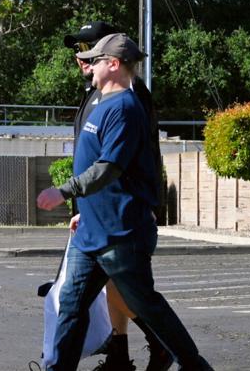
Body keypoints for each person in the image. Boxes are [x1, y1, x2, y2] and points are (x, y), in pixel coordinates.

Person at [36, 34, 211, 371]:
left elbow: (108, 168)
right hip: (91, 231)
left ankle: (194, 365)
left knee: (146, 305)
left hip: (121, 233)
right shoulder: (101, 102)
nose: (88, 65)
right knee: (71, 306)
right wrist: (81, 212)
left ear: (113, 64)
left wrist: (65, 191)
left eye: (95, 60)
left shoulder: (126, 109)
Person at [62, 22, 169, 371]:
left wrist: (149, 204)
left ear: (110, 57)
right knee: (107, 288)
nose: (82, 57)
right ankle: (120, 353)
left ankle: (163, 342)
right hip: (96, 212)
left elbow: (133, 157)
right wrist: (82, 207)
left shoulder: (128, 94)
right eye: (79, 49)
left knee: (129, 289)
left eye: (89, 48)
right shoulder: (95, 91)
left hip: (121, 214)